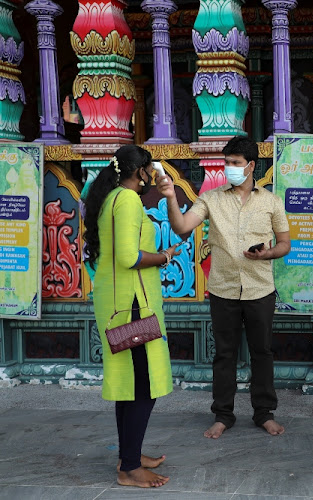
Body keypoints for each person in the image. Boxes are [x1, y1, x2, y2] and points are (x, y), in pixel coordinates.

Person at [156, 136, 290, 439]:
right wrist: (170, 197)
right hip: (223, 290)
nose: (229, 168)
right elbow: (181, 227)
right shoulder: (211, 199)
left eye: (235, 163)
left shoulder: (271, 201)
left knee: (262, 353)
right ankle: (223, 415)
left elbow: (284, 244)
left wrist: (267, 253)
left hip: (260, 289)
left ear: (251, 165)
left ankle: (264, 413)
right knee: (224, 355)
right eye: (226, 163)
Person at [84, 145, 181, 488]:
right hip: (131, 305)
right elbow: (128, 256)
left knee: (131, 382)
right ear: (139, 171)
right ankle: (129, 468)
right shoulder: (126, 200)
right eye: (149, 170)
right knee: (144, 385)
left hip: (118, 302)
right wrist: (163, 257)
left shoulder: (110, 198)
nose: (152, 176)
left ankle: (130, 453)